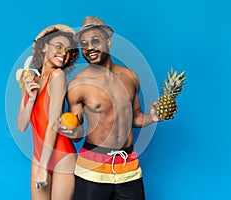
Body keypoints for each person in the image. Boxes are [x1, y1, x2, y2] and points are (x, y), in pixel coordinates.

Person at [61, 16, 161, 200]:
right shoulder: (78, 85)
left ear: (108, 42)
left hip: (128, 167)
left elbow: (136, 117)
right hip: (92, 169)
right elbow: (76, 131)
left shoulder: (130, 77)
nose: (89, 47)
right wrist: (70, 131)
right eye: (84, 44)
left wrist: (152, 117)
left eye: (95, 41)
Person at [17, 24, 79, 200]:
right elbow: (21, 125)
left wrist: (43, 167)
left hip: (62, 157)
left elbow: (53, 123)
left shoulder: (58, 76)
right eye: (58, 46)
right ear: (44, 46)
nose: (63, 53)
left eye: (68, 50)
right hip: (39, 157)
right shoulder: (31, 80)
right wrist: (30, 99)